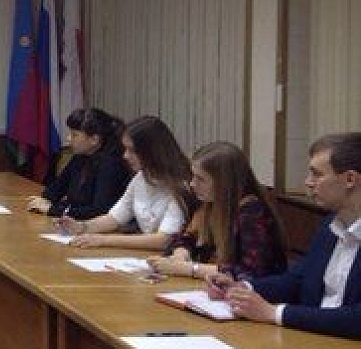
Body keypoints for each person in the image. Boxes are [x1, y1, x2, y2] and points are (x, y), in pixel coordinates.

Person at [206, 133, 361, 339]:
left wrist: (274, 313)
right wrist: (242, 288)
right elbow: (298, 280)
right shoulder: (330, 226)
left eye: (317, 175)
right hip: (313, 336)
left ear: (350, 179)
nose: (308, 182)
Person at [147, 141, 286, 281]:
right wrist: (181, 254)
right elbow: (185, 238)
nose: (192, 184)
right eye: (193, 176)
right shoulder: (210, 205)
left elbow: (251, 272)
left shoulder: (253, 213)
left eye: (200, 179)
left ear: (225, 182)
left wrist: (190, 269)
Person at [58, 115, 191, 251]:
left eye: (132, 150)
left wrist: (103, 240)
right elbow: (114, 218)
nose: (125, 156)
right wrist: (82, 227)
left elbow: (164, 240)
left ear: (152, 151)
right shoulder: (140, 178)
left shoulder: (180, 185)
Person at [26, 108, 132, 219]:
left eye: (74, 135)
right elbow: (58, 186)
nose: (68, 139)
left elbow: (99, 211)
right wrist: (45, 199)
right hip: (78, 222)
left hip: (103, 227)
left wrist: (53, 210)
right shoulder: (81, 156)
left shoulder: (111, 165)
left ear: (94, 140)